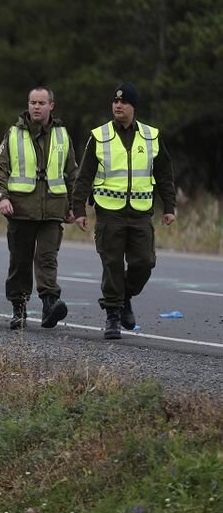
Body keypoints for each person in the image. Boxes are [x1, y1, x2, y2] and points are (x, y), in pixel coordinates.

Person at [71, 83, 176, 340]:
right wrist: (78, 208)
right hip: (110, 213)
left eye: (124, 102)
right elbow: (84, 176)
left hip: (141, 212)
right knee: (112, 265)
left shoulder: (151, 136)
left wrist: (169, 206)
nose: (118, 105)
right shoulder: (100, 136)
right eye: (115, 102)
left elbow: (164, 174)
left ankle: (125, 295)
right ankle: (113, 316)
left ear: (133, 107)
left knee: (144, 263)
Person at [0, 87, 77, 330]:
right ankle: (19, 308)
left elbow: (72, 173)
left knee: (47, 258)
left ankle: (51, 304)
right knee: (20, 261)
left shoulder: (62, 135)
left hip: (52, 210)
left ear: (51, 105)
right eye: (32, 102)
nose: (36, 107)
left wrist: (74, 206)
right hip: (20, 209)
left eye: (41, 102)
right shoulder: (14, 134)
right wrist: (2, 198)